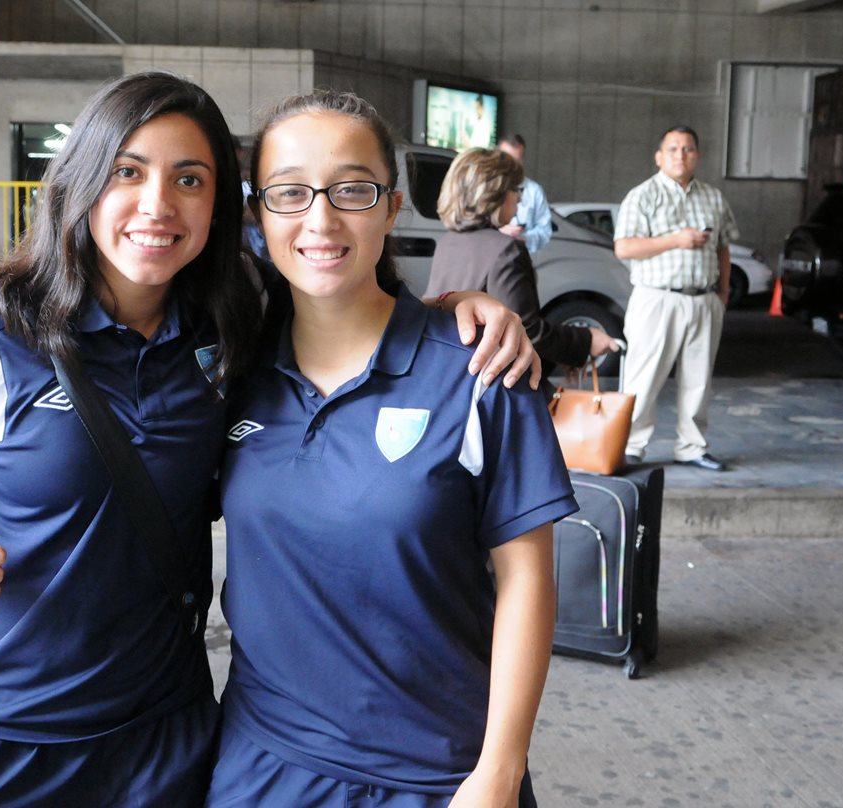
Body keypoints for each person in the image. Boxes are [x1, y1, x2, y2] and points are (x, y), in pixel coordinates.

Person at [0, 72, 539, 808]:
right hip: (9, 732)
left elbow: (347, 302)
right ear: (80, 178)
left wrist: (455, 312)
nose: (157, 204)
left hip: (167, 736)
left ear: (219, 207)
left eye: (189, 178)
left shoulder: (226, 337)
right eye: (127, 171)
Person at [206, 90, 579, 807]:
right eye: (289, 193)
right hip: (263, 768)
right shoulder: (231, 373)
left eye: (352, 189)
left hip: (438, 775)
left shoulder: (480, 370)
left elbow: (528, 582)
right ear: (258, 213)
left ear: (391, 204)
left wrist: (499, 772)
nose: (320, 218)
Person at [425, 147, 620, 379]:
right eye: (515, 190)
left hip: (452, 372)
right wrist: (586, 340)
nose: (519, 199)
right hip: (493, 381)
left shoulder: (449, 242)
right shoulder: (505, 249)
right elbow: (525, 331)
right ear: (494, 194)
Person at [613, 125, 738, 471]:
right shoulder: (643, 195)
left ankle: (692, 446)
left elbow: (724, 247)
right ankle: (629, 446)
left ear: (697, 155)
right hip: (657, 299)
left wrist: (722, 294)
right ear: (659, 157)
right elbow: (624, 247)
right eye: (672, 149)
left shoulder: (713, 197)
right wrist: (675, 240)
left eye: (687, 149)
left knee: (699, 379)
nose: (680, 155)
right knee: (643, 376)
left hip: (703, 299)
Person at [496, 134, 551, 254]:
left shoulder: (534, 191)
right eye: (507, 159)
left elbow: (545, 231)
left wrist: (522, 239)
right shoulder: (485, 187)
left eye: (517, 161)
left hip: (521, 257)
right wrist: (499, 233)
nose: (512, 166)